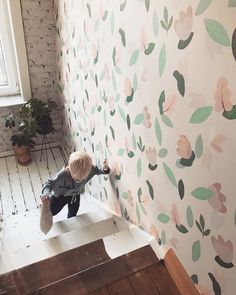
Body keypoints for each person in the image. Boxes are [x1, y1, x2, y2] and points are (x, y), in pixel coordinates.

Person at [40, 151, 110, 218]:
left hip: (75, 195)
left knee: (73, 211)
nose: (80, 181)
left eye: (83, 179)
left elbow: (97, 170)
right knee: (52, 211)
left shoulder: (89, 170)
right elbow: (49, 183)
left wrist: (105, 169)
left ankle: (71, 219)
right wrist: (46, 193)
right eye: (77, 179)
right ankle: (47, 215)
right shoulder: (62, 175)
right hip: (61, 196)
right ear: (70, 170)